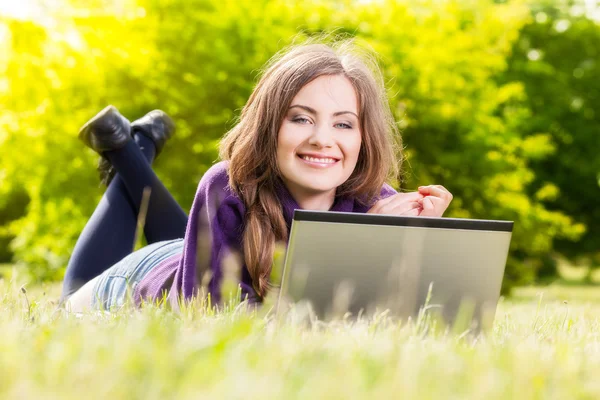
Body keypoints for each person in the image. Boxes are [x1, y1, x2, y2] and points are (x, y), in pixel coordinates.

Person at [62, 40, 453, 312]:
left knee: (192, 238)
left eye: (344, 124)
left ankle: (131, 148)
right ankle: (130, 150)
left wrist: (413, 240)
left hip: (198, 254)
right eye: (301, 118)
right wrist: (362, 237)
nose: (322, 139)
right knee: (71, 295)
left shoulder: (375, 203)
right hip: (143, 278)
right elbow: (218, 317)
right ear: (270, 127)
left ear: (364, 139)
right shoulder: (226, 185)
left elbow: (389, 311)